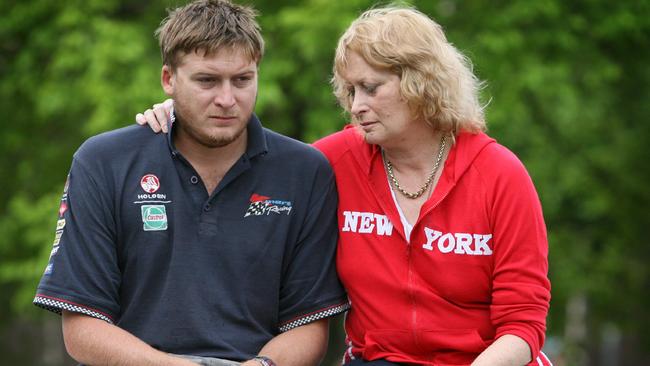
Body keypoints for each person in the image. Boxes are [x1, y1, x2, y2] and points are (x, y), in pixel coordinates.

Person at [137, 5, 552, 366]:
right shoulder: (333, 160)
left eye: (372, 88)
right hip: (378, 360)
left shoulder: (499, 174)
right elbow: (250, 160)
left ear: (422, 82)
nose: (356, 105)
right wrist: (183, 114)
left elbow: (523, 323)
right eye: (350, 90)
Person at [33, 1, 349, 365]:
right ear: (168, 79)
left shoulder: (305, 170)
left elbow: (309, 326)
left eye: (242, 80)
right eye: (207, 80)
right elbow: (81, 328)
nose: (227, 99)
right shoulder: (104, 162)